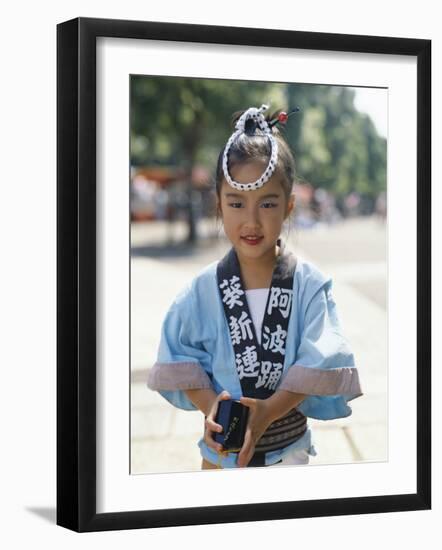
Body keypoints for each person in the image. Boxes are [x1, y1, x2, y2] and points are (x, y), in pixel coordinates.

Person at [147, 104, 362, 469]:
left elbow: (322, 354)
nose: (251, 220)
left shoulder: (308, 285)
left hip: (288, 448)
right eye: (235, 203)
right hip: (221, 450)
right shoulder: (203, 289)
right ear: (218, 204)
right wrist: (211, 405)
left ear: (289, 206)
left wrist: (267, 412)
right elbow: (180, 356)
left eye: (267, 204)